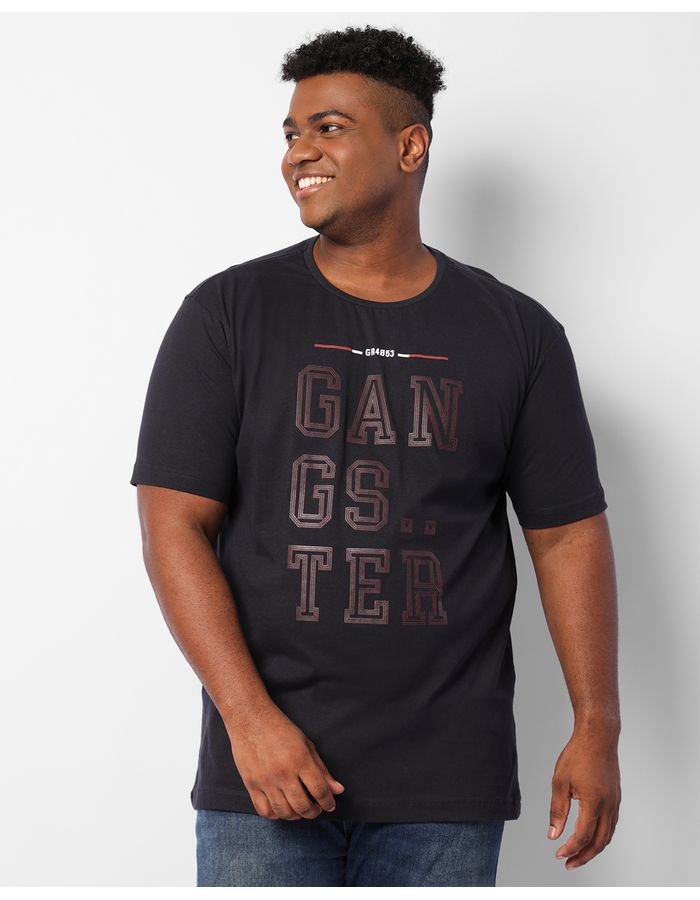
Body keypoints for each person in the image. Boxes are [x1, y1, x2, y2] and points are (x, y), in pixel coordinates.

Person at [129, 24, 621, 888]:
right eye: (291, 132)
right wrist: (249, 721)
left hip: (446, 785)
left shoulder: (519, 334)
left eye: (328, 128)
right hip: (267, 775)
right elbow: (174, 527)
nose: (298, 153)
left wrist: (597, 726)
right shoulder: (228, 313)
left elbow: (568, 536)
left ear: (410, 146)